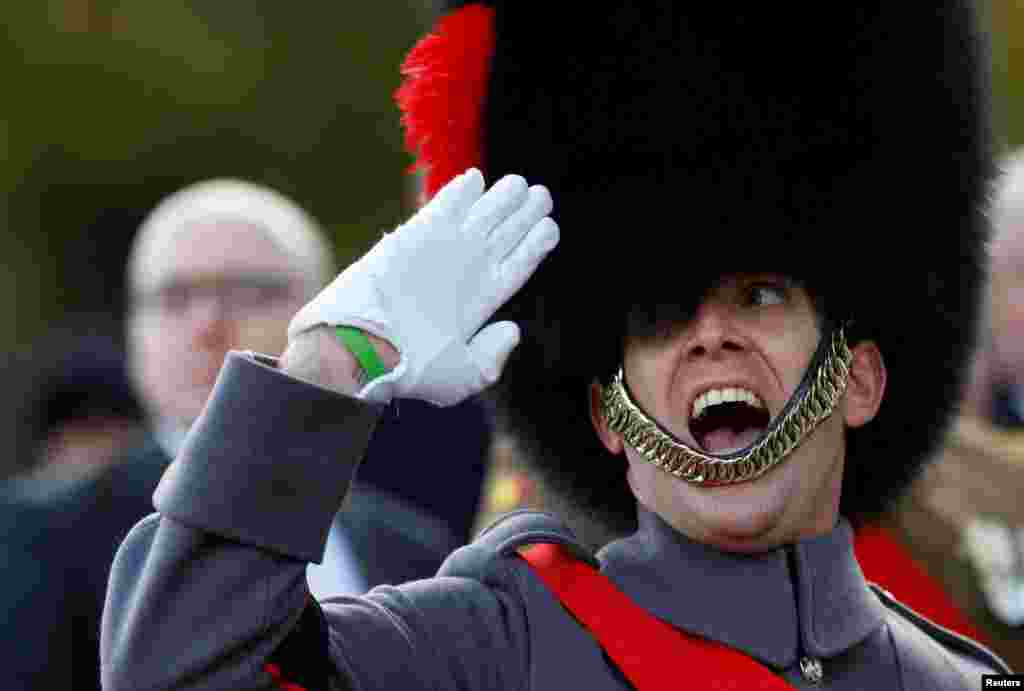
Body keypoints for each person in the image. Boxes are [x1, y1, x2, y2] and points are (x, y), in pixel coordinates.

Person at [103, 3, 1009, 689]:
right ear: (607, 415)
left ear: (857, 378)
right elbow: (175, 666)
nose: (711, 338)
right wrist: (329, 363)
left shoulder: (963, 674)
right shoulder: (489, 646)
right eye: (658, 313)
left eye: (759, 295)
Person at [0, 179, 490, 691]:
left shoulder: (413, 547)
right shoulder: (42, 535)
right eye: (173, 297)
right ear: (133, 334)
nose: (207, 325)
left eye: (249, 293)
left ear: (331, 308)